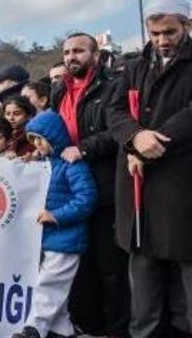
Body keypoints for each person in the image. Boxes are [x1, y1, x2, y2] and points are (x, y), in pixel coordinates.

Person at [107, 0, 192, 338]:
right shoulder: (135, 66)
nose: (162, 40)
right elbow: (114, 112)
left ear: (187, 26)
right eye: (155, 33)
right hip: (138, 186)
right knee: (143, 281)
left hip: (182, 184)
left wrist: (150, 143)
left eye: (169, 32)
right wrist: (134, 138)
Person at [51, 32, 129, 336]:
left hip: (105, 187)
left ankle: (117, 329)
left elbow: (118, 131)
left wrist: (84, 149)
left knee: (111, 267)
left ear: (96, 55)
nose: (72, 56)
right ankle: (88, 324)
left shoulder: (113, 87)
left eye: (79, 51)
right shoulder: (59, 90)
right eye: (68, 51)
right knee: (80, 265)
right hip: (70, 191)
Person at [12, 111, 97, 338]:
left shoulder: (72, 165)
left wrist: (56, 215)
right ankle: (63, 330)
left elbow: (86, 199)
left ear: (54, 137)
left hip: (67, 238)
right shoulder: (43, 164)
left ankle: (34, 329)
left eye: (41, 139)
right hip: (49, 238)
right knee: (55, 287)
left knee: (49, 285)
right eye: (33, 140)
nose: (37, 144)